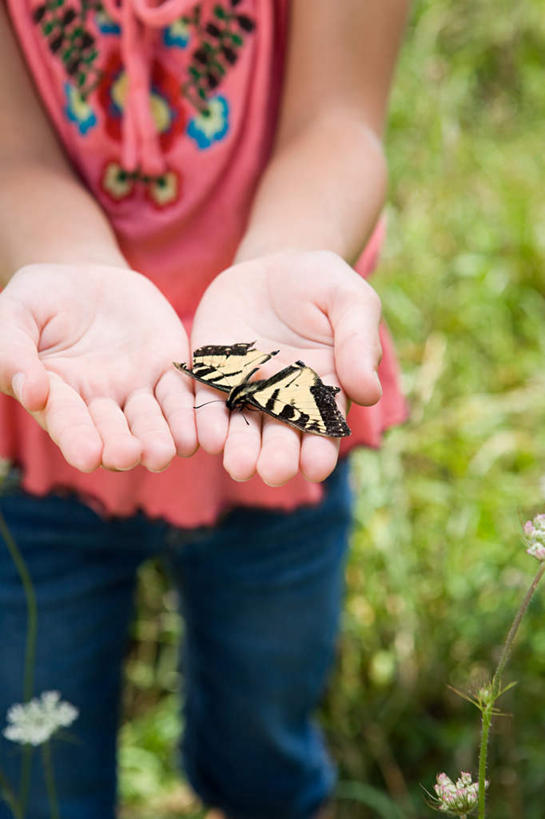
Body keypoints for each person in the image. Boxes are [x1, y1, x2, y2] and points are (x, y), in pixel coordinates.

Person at [0, 1, 408, 817]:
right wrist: (73, 263)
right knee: (40, 773)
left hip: (274, 441)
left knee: (262, 739)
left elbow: (340, 120)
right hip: (52, 420)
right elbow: (13, 158)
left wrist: (290, 253)